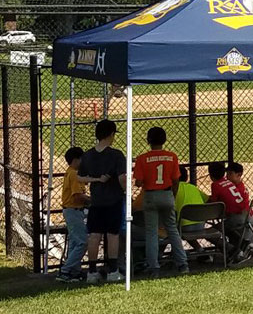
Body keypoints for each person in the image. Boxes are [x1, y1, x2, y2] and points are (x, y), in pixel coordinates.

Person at [133, 126, 188, 277]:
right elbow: (175, 180)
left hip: (150, 195)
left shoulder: (142, 158)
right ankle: (182, 264)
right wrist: (172, 195)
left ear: (148, 140)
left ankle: (154, 267)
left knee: (151, 232)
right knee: (172, 229)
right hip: (167, 193)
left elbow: (138, 182)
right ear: (164, 140)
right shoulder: (172, 156)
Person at [79, 119, 128, 283]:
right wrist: (126, 191)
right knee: (112, 234)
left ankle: (92, 271)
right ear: (111, 134)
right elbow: (122, 178)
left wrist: (96, 180)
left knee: (94, 235)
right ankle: (113, 270)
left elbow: (80, 177)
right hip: (113, 200)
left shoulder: (87, 155)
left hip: (96, 201)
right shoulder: (116, 155)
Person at [55, 147, 89, 283]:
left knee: (74, 242)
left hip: (73, 211)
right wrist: (92, 200)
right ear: (76, 160)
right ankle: (65, 270)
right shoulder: (74, 174)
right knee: (82, 242)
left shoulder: (71, 172)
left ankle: (74, 271)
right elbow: (77, 196)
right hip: (73, 210)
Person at [211, 162, 252, 254]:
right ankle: (244, 243)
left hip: (238, 216)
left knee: (212, 231)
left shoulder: (216, 185)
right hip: (244, 214)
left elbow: (214, 203)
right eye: (227, 173)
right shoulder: (230, 183)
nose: (227, 176)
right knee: (225, 227)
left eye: (229, 173)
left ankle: (232, 250)